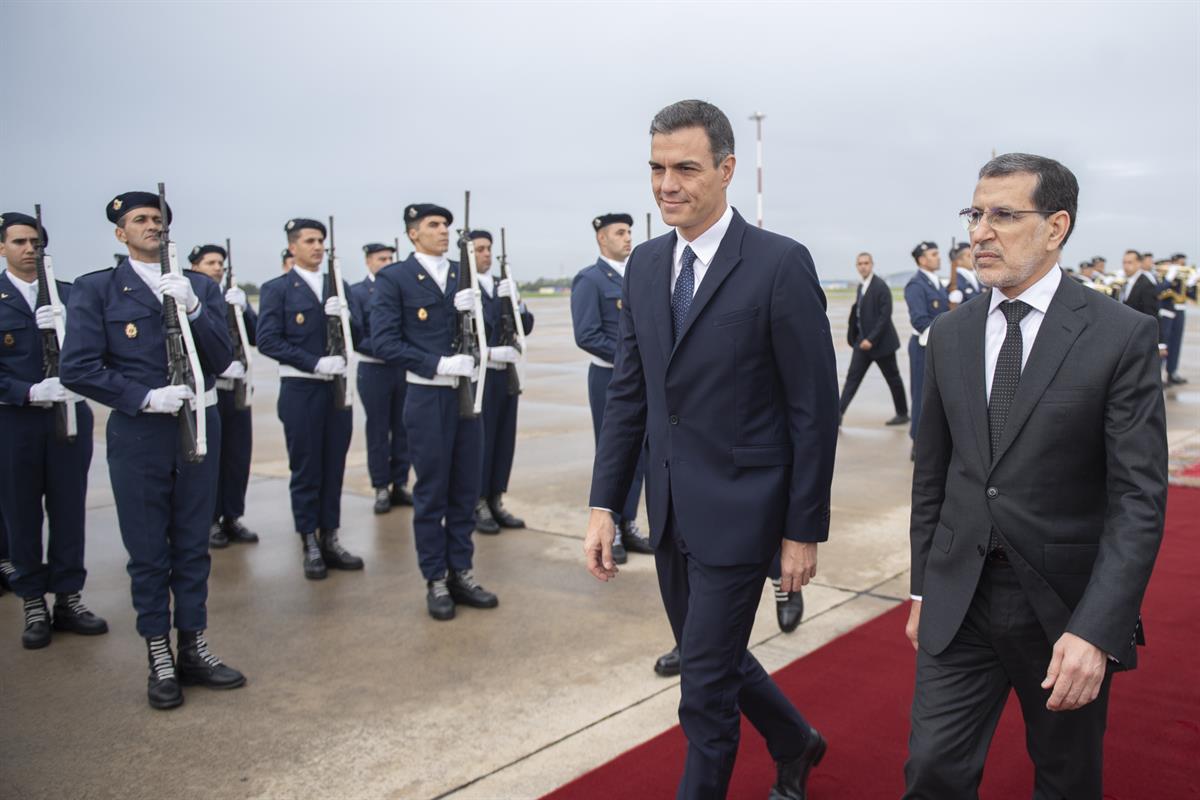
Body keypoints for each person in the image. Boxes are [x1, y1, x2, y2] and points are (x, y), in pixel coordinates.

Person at [585, 99, 837, 800]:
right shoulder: (643, 265)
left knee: (703, 691)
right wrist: (606, 504)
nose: (668, 184)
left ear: (727, 170)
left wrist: (801, 529)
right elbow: (629, 397)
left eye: (686, 168)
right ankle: (796, 741)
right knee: (713, 659)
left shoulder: (779, 264)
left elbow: (812, 412)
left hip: (744, 513)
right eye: (658, 169)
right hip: (668, 512)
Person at [905, 154, 1167, 799]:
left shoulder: (1118, 336)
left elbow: (1137, 498)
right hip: (958, 596)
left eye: (1003, 215)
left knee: (1065, 780)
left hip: (1062, 609)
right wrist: (919, 590)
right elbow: (933, 474)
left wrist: (1098, 628)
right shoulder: (948, 335)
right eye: (975, 214)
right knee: (932, 771)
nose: (980, 232)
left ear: (1055, 227)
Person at [61, 191, 245, 709]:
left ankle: (194, 645)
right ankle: (158, 652)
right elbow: (77, 368)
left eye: (158, 219)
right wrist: (141, 396)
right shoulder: (97, 289)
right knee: (148, 551)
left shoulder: (201, 286)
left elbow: (221, 357)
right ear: (120, 233)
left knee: (192, 544)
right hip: (141, 433)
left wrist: (193, 306)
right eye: (139, 220)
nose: (151, 226)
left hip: (196, 427)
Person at [370, 203, 500, 621]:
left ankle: (461, 570)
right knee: (431, 493)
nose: (443, 231)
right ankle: (436, 577)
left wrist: (477, 305)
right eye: (433, 225)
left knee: (464, 488)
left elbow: (487, 332)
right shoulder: (395, 278)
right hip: (428, 397)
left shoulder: (465, 275)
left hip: (467, 396)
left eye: (445, 224)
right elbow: (384, 342)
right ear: (413, 234)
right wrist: (438, 364)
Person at [0, 211, 107, 649]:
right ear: (3, 248)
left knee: (68, 508)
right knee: (21, 511)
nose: (30, 250)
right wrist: (26, 391)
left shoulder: (68, 295)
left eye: (37, 242)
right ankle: (32, 601)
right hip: (15, 420)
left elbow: (98, 353)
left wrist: (63, 326)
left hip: (68, 416)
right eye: (20, 242)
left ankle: (68, 597)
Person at [256, 218, 364, 580]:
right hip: (302, 388)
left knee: (333, 466)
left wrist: (347, 316)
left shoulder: (340, 287)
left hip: (336, 388)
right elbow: (268, 340)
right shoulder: (278, 289)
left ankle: (330, 536)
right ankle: (309, 540)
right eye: (309, 241)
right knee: (306, 469)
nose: (317, 246)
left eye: (321, 241)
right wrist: (314, 362)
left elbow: (362, 336)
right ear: (293, 247)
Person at [571, 213, 653, 563]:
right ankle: (612, 526)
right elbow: (586, 334)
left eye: (630, 231)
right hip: (609, 378)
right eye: (620, 232)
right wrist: (630, 359)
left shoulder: (639, 274)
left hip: (643, 378)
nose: (628, 237)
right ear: (602, 239)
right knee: (614, 453)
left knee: (641, 455)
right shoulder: (590, 280)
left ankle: (629, 521)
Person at [187, 244, 259, 548]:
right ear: (194, 267)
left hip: (236, 391)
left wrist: (244, 310)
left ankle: (232, 515)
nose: (217, 267)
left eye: (220, 263)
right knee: (211, 461)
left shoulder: (230, 298)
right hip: (208, 392)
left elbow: (256, 336)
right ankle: (210, 520)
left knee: (237, 457)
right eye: (210, 262)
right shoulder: (191, 299)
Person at [469, 230, 533, 533]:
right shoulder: (465, 289)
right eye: (479, 249)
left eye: (488, 248)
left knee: (503, 439)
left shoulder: (499, 286)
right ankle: (477, 500)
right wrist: (489, 352)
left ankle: (496, 498)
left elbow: (526, 326)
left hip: (505, 374)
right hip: (479, 377)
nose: (485, 254)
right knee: (482, 441)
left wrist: (517, 303)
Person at [350, 242, 413, 514]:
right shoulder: (357, 292)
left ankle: (400, 483)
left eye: (390, 258)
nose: (386, 262)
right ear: (368, 261)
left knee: (403, 428)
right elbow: (356, 335)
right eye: (381, 258)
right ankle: (380, 486)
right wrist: (388, 348)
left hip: (401, 368)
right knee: (378, 430)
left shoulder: (401, 288)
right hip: (374, 368)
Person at [838, 251, 908, 425]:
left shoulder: (880, 286)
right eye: (860, 264)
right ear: (857, 266)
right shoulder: (862, 286)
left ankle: (902, 413)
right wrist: (858, 338)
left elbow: (885, 317)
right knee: (852, 379)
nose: (863, 266)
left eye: (866, 263)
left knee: (893, 380)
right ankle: (837, 414)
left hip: (881, 345)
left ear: (872, 265)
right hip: (861, 345)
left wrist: (871, 339)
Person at [904, 241, 949, 456]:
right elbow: (919, 320)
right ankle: (917, 441)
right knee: (921, 394)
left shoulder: (937, 283)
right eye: (933, 254)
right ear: (922, 259)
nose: (938, 257)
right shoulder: (916, 285)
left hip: (937, 344)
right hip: (923, 346)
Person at [1162, 252, 1191, 385]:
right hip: (1167, 311)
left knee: (1176, 344)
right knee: (1164, 343)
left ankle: (1172, 371)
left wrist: (1190, 282)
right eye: (1181, 263)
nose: (1182, 266)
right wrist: (1170, 277)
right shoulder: (1166, 273)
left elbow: (1189, 293)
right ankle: (1160, 374)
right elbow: (1161, 292)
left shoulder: (1181, 276)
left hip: (1179, 310)